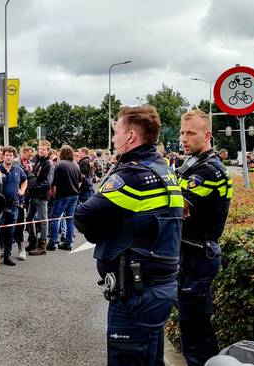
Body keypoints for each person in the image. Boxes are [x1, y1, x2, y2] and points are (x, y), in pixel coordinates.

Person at [75, 106, 183, 365]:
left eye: (116, 132)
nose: (113, 139)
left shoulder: (134, 175)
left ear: (131, 136)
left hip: (138, 293)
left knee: (129, 358)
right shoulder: (161, 168)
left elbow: (84, 216)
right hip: (156, 287)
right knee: (150, 357)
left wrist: (103, 231)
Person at [177, 110, 233, 366]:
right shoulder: (195, 164)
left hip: (198, 255)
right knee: (192, 326)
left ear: (207, 135)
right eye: (181, 132)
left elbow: (176, 208)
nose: (183, 138)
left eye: (191, 133)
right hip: (192, 253)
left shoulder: (207, 170)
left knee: (196, 331)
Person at [47, 145, 81, 251]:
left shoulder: (60, 164)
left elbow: (54, 182)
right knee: (70, 219)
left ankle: (52, 242)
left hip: (63, 195)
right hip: (74, 195)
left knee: (55, 218)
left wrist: (53, 194)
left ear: (61, 153)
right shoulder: (75, 165)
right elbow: (80, 180)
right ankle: (68, 242)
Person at [0, 146, 27, 266]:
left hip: (14, 205)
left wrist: (22, 191)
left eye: (11, 155)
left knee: (10, 232)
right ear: (3, 156)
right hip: (0, 206)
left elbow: (25, 180)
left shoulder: (18, 169)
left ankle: (7, 256)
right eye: (7, 155)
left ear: (14, 157)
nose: (8, 157)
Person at [26, 140, 54, 255]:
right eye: (39, 149)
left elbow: (48, 183)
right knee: (29, 218)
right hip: (33, 195)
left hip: (41, 196)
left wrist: (33, 187)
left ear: (48, 151)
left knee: (43, 220)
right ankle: (33, 241)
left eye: (43, 149)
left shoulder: (49, 163)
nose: (40, 151)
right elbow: (34, 175)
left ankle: (42, 246)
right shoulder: (37, 159)